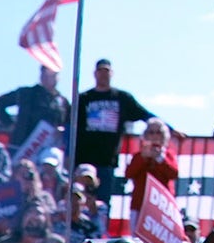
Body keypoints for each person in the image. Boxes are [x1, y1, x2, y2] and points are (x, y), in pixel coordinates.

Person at [75, 58, 182, 204]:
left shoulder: (122, 98)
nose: (103, 75)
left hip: (107, 160)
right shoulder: (83, 99)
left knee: (103, 204)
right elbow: (70, 125)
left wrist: (171, 129)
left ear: (112, 74)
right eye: (100, 71)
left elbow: (145, 115)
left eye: (106, 71)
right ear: (95, 74)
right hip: (83, 160)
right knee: (80, 200)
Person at [0, 65, 70, 151]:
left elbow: (69, 123)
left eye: (53, 75)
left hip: (49, 149)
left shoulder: (63, 101)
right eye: (45, 74)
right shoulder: (26, 93)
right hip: (22, 146)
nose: (47, 78)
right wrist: (10, 124)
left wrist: (62, 130)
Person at [124, 117, 178, 231]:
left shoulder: (168, 155)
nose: (154, 136)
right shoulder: (139, 155)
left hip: (162, 206)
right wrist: (143, 158)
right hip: (140, 204)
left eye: (158, 132)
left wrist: (160, 159)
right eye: (151, 132)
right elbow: (129, 173)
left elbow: (173, 174)